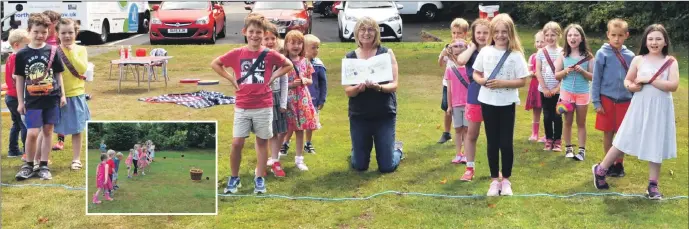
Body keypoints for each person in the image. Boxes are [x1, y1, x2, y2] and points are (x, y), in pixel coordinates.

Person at [593, 24, 679, 200]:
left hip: (661, 108)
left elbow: (673, 85)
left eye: (658, 39)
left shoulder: (671, 61)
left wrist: (649, 80)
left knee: (656, 143)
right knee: (624, 137)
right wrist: (632, 86)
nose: (654, 42)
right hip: (639, 106)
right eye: (650, 39)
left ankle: (652, 185)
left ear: (665, 42)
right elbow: (628, 80)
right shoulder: (639, 59)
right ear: (645, 41)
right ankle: (601, 170)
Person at [213, 13, 292, 194]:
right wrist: (231, 80)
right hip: (242, 105)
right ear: (245, 32)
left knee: (262, 142)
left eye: (258, 32)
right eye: (251, 32)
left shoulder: (270, 54)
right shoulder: (237, 53)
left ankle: (259, 178)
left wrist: (273, 76)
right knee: (236, 143)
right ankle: (234, 178)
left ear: (263, 34)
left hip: (263, 105)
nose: (255, 36)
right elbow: (216, 63)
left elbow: (288, 65)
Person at [472, 14, 529, 196]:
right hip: (488, 102)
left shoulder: (516, 55)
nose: (500, 35)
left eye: (504, 32)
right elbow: (476, 73)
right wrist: (481, 81)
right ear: (492, 33)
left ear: (510, 33)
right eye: (496, 31)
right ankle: (493, 180)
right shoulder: (485, 52)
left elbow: (522, 81)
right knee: (492, 142)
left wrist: (503, 83)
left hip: (507, 103)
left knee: (506, 142)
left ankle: (506, 180)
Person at [345, 16, 403, 173]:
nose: (366, 33)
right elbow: (348, 91)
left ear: (376, 32)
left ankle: (396, 149)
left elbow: (394, 85)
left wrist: (379, 88)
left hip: (384, 113)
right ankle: (357, 151)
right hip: (359, 115)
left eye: (370, 29)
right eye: (362, 29)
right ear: (357, 33)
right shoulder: (350, 57)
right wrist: (358, 88)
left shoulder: (386, 53)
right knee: (359, 166)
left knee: (387, 166)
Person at [13, 13, 66, 181]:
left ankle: (44, 165)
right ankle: (28, 165)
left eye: (43, 32)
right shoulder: (22, 54)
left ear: (48, 31)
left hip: (52, 99)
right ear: (29, 31)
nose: (40, 35)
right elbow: (20, 78)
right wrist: (21, 101)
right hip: (32, 101)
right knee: (33, 133)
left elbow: (58, 74)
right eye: (36, 31)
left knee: (48, 130)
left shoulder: (53, 51)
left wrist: (62, 95)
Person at [591, 18, 635, 177]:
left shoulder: (631, 56)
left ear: (626, 35)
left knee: (622, 134)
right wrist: (596, 102)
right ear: (608, 35)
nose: (617, 39)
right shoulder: (602, 53)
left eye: (620, 35)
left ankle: (619, 165)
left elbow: (634, 79)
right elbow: (596, 79)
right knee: (608, 133)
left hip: (625, 101)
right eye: (613, 35)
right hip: (606, 100)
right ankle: (607, 164)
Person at [455, 18, 491, 182]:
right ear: (473, 34)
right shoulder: (471, 51)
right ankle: (470, 168)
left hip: (493, 95)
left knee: (493, 134)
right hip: (475, 95)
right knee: (472, 134)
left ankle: (494, 168)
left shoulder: (494, 49)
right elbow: (460, 61)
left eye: (485, 32)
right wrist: (473, 46)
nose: (482, 36)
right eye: (479, 33)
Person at [554, 24, 595, 161]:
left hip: (582, 93)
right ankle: (569, 148)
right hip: (566, 94)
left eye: (576, 35)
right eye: (570, 35)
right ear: (566, 38)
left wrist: (583, 72)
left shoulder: (588, 56)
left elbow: (593, 76)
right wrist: (565, 71)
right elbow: (556, 75)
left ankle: (582, 151)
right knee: (567, 121)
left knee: (581, 123)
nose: (573, 38)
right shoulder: (563, 55)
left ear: (582, 38)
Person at [53, 18, 90, 170]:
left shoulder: (81, 50)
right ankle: (42, 160)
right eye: (63, 33)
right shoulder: (53, 51)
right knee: (49, 129)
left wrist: (73, 53)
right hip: (56, 95)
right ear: (57, 34)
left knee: (77, 129)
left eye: (70, 32)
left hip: (75, 94)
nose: (67, 36)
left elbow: (82, 69)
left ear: (76, 33)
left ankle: (76, 159)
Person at [283, 30, 319, 171]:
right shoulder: (283, 61)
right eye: (293, 43)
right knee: (283, 129)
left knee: (300, 130)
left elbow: (310, 79)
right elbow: (277, 82)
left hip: (302, 100)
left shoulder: (305, 61)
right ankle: (276, 154)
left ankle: (299, 159)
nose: (296, 46)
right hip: (288, 99)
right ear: (286, 44)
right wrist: (291, 85)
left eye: (299, 43)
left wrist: (304, 80)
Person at [437, 18, 470, 144]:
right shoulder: (448, 47)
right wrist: (442, 55)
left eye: (459, 33)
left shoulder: (467, 48)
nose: (456, 35)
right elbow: (440, 64)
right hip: (448, 84)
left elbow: (462, 63)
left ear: (465, 34)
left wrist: (452, 55)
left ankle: (462, 134)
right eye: (454, 33)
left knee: (461, 108)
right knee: (447, 108)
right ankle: (446, 133)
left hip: (462, 86)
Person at [535, 22, 564, 151]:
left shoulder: (563, 52)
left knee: (557, 115)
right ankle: (548, 139)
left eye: (553, 35)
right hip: (544, 90)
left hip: (559, 90)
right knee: (547, 115)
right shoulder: (541, 52)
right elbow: (538, 71)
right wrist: (545, 88)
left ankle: (557, 140)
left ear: (559, 35)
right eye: (547, 35)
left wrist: (557, 88)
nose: (550, 38)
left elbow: (565, 73)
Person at [4, 29, 30, 158]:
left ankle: (13, 150)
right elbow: (15, 75)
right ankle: (27, 151)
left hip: (10, 96)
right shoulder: (17, 57)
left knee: (16, 124)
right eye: (25, 45)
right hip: (15, 97)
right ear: (16, 45)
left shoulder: (10, 57)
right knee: (24, 124)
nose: (27, 48)